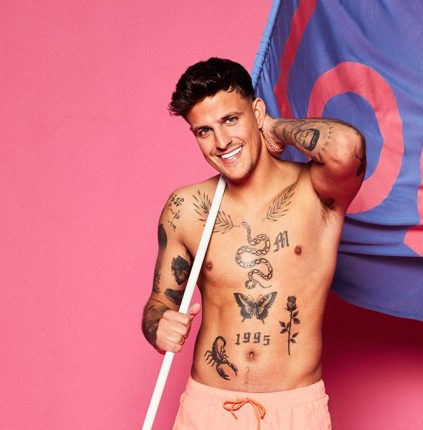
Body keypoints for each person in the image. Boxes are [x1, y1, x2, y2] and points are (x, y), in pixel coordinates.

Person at [141, 57, 365, 429]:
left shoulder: (315, 191)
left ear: (257, 112)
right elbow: (158, 304)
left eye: (231, 119)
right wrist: (158, 326)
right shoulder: (187, 208)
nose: (221, 142)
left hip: (293, 412)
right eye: (204, 131)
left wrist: (275, 128)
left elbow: (347, 148)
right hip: (208, 410)